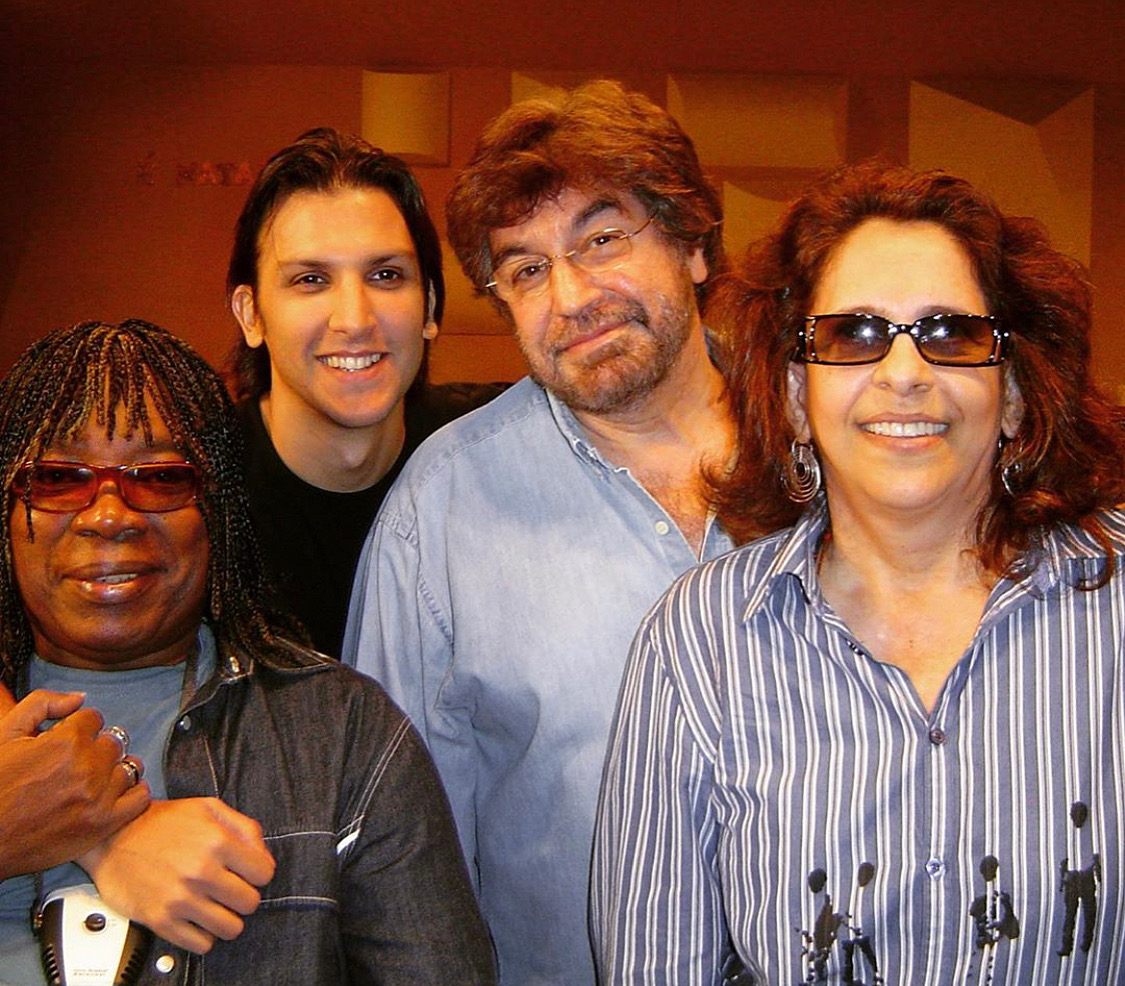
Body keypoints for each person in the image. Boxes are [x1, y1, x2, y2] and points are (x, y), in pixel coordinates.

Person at [592, 163, 1125, 983]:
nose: (903, 373)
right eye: (853, 335)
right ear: (795, 398)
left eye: (950, 334)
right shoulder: (699, 642)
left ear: (1013, 394)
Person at [342, 80, 735, 984]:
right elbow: (392, 863)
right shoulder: (439, 511)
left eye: (602, 240)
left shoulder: (836, 449)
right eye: (524, 269)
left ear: (692, 244)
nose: (571, 296)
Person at [0, 319, 496, 985]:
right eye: (59, 478)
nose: (109, 515)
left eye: (161, 478)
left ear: (220, 512)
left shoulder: (342, 734)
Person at [228, 128, 504, 658]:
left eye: (385, 275)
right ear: (252, 314)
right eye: (311, 280)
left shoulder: (493, 449)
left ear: (429, 307)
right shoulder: (190, 487)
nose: (354, 320)